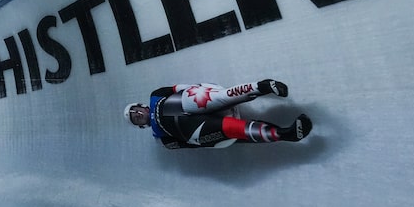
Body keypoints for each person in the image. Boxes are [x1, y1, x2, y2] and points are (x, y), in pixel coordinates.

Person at [123, 79, 312, 149]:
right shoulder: (162, 140)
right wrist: (216, 141)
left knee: (213, 97)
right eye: (135, 118)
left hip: (183, 102)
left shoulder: (156, 95)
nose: (137, 114)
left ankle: (262, 86)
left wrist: (203, 87)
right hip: (189, 129)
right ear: (141, 125)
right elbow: (189, 145)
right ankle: (286, 134)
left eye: (136, 110)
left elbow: (179, 87)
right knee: (230, 128)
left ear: (141, 105)